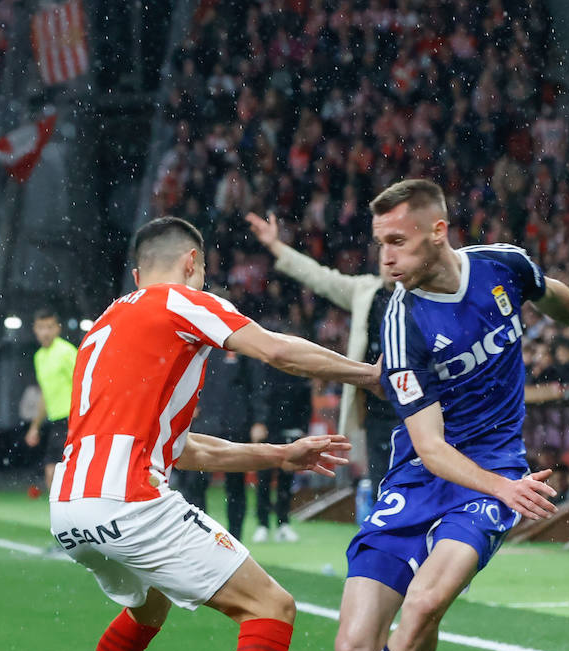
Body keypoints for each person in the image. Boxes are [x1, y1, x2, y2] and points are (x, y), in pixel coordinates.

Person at [280, 180, 569, 651]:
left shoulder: (503, 266)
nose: (385, 257)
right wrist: (505, 488)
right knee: (354, 650)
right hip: (426, 474)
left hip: (492, 469)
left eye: (397, 241)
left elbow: (552, 295)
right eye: (378, 244)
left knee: (422, 605)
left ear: (438, 231)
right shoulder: (401, 321)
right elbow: (431, 448)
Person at [49, 216, 381, 651]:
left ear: (134, 272)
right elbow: (277, 351)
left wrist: (279, 455)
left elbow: (185, 447)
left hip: (70, 507)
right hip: (129, 500)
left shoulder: (105, 324)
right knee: (271, 607)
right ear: (190, 263)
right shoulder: (182, 302)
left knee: (146, 610)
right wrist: (370, 374)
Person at [246, 211, 400, 492]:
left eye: (395, 248)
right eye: (382, 251)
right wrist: (275, 245)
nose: (388, 259)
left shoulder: (421, 294)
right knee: (384, 488)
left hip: (417, 406)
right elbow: (320, 277)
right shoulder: (365, 290)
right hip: (378, 408)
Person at [171, 346, 262, 539]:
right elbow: (181, 377)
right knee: (195, 483)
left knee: (235, 485)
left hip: (236, 425)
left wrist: (259, 420)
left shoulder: (241, 344)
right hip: (205, 421)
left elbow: (256, 383)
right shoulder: (198, 343)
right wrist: (184, 405)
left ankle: (235, 539)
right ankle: (196, 536)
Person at [250, 335, 312, 543]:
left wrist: (302, 429)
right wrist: (260, 423)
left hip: (290, 431)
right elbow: (259, 396)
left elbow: (306, 402)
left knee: (286, 482)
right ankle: (262, 524)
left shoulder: (300, 372)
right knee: (264, 480)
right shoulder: (266, 369)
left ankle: (283, 524)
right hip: (269, 431)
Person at [24, 310, 77, 496]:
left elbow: (85, 385)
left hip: (74, 420)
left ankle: (71, 520)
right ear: (34, 330)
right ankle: (64, 521)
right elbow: (45, 396)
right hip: (57, 423)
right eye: (41, 327)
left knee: (57, 474)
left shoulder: (67, 352)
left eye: (49, 327)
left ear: (58, 329)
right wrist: (34, 427)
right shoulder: (39, 357)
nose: (45, 332)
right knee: (52, 475)